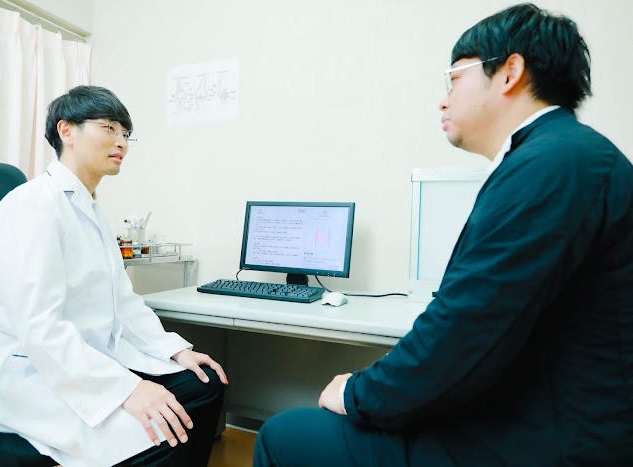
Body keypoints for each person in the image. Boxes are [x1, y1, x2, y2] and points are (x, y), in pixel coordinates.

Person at [254, 3, 632, 466]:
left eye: (455, 78)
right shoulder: (565, 156)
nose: (443, 98)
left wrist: (357, 391)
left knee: (287, 433)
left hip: (553, 437)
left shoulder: (553, 165)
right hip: (549, 411)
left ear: (510, 71)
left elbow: (465, 332)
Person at [0, 85, 228, 467]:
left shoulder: (92, 211)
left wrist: (174, 349)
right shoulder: (31, 206)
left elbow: (124, 303)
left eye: (125, 133)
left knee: (204, 383)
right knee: (152, 431)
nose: (121, 141)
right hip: (35, 372)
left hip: (90, 360)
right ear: (67, 131)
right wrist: (128, 388)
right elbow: (40, 328)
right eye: (108, 128)